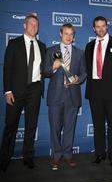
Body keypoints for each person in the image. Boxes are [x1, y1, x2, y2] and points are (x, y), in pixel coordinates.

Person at [0, 14, 46, 172]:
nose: (34, 27)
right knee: (10, 125)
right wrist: (7, 91)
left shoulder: (42, 46)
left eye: (36, 25)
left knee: (31, 125)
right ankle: (5, 158)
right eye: (31, 24)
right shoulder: (14, 44)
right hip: (16, 90)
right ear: (24, 25)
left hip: (34, 90)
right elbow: (7, 69)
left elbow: (45, 70)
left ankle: (28, 157)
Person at [85, 16, 112, 167]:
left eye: (103, 26)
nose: (101, 29)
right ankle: (99, 154)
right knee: (98, 125)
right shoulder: (89, 46)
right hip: (95, 90)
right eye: (97, 26)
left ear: (107, 26)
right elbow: (87, 70)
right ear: (93, 28)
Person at [45, 23, 86, 170]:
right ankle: (56, 155)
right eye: (66, 33)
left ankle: (68, 154)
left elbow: (84, 73)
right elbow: (44, 71)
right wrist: (53, 67)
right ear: (60, 34)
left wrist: (78, 79)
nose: (68, 37)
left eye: (71, 34)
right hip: (55, 95)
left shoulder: (80, 53)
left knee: (70, 127)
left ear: (74, 36)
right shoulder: (51, 51)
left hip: (72, 95)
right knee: (55, 128)